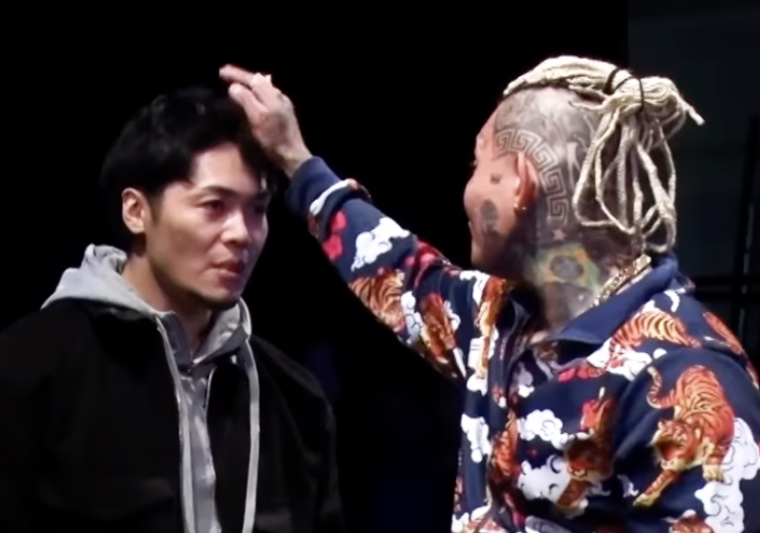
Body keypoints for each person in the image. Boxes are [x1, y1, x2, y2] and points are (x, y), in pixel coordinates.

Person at [220, 57, 760, 533]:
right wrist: (295, 160)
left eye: (478, 165)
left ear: (518, 182)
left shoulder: (685, 375)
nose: (468, 187)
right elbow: (396, 268)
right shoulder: (499, 319)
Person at [0, 87, 344, 533]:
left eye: (257, 210)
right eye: (214, 206)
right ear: (136, 211)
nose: (242, 233)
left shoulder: (295, 400)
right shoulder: (23, 374)